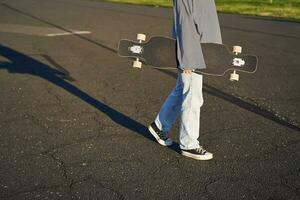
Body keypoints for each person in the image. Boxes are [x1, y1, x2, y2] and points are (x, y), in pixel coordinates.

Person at [148, 0, 222, 160]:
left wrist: (215, 51)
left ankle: (159, 126)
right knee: (193, 96)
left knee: (182, 89)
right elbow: (184, 21)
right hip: (193, 51)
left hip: (202, 50)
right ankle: (189, 144)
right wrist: (188, 57)